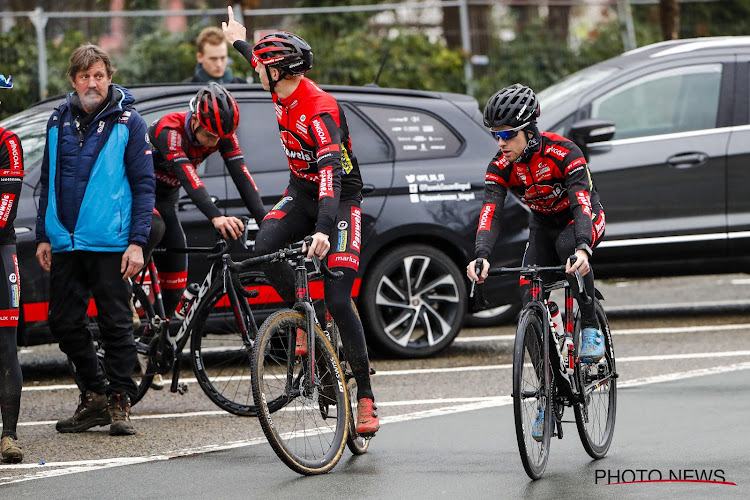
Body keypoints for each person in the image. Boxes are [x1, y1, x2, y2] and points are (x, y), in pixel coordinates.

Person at [222, 7, 379, 436]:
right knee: (263, 249)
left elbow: (332, 177)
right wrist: (239, 37)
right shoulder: (279, 81)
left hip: (339, 197)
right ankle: (303, 313)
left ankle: (364, 395)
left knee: (340, 293)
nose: (256, 72)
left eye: (262, 67)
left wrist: (325, 232)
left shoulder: (320, 110)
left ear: (278, 72)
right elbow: (252, 57)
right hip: (301, 191)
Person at [465, 83, 606, 439]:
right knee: (528, 290)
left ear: (529, 132)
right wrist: (481, 255)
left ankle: (589, 324)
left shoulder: (564, 152)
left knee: (568, 251)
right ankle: (548, 390)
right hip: (542, 223)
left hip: (581, 218)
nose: (500, 142)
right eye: (496, 135)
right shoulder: (501, 165)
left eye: (508, 135)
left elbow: (580, 203)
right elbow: (490, 212)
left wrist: (584, 248)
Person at [35, 44, 155, 437]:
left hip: (110, 243)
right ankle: (95, 397)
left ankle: (120, 401)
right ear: (73, 80)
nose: (92, 83)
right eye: (85, 76)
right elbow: (47, 184)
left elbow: (144, 185)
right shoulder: (57, 121)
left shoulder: (129, 121)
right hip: (65, 242)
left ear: (109, 77)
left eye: (99, 76)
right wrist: (43, 235)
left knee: (116, 324)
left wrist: (137, 241)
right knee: (63, 322)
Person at [146, 82, 266, 317]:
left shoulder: (222, 135)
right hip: (139, 196)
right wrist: (216, 217)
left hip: (166, 199)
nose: (214, 142)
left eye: (220, 137)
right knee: (154, 227)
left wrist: (266, 220)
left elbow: (241, 174)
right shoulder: (170, 130)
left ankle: (155, 340)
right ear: (195, 121)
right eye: (210, 135)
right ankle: (125, 289)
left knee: (176, 285)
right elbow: (189, 178)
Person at [0, 101, 24, 463]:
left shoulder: (8, 142)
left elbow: (6, 204)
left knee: (5, 343)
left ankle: (9, 435)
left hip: (0, 249)